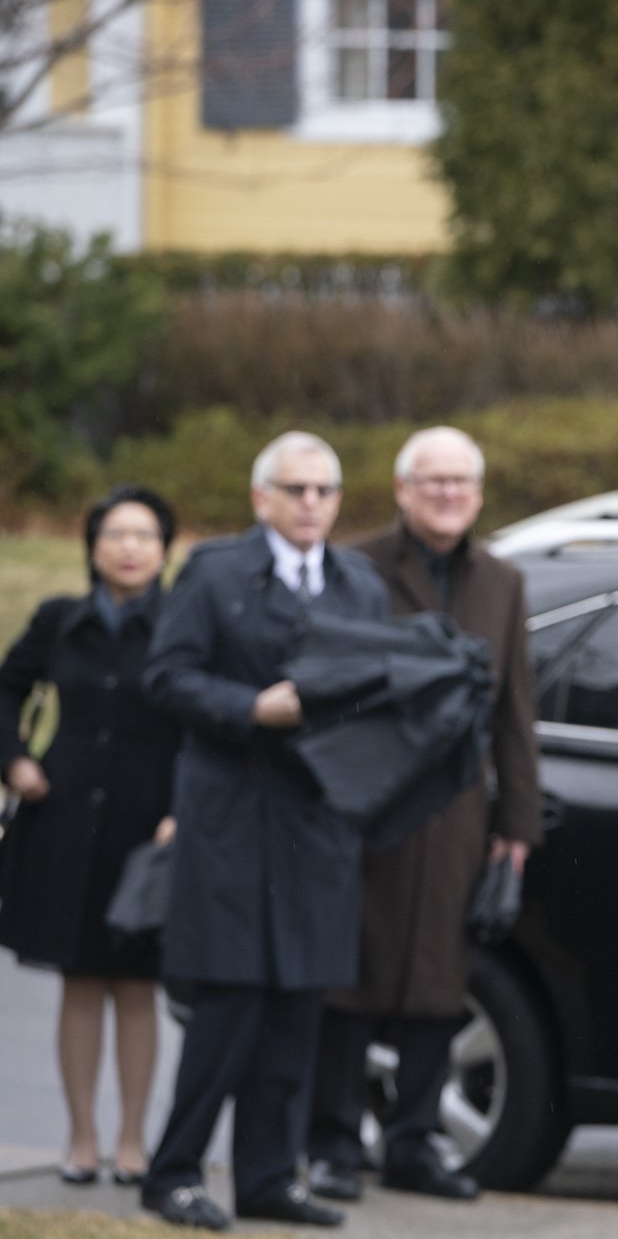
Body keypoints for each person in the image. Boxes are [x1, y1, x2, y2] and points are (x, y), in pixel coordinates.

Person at [140, 432, 388, 1232]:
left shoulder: (358, 582)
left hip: (317, 822)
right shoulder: (214, 571)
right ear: (262, 499)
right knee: (229, 1003)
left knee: (296, 1006)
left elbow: (379, 686)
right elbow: (166, 676)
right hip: (233, 814)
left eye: (325, 490)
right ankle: (172, 1174)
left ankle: (269, 1178)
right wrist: (250, 709)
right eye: (296, 489)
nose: (311, 503)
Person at [305, 427, 541, 1204]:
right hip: (368, 805)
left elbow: (516, 714)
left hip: (458, 815)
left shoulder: (502, 582)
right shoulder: (357, 566)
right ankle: (335, 1145)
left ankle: (413, 1143)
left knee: (442, 983)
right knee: (350, 979)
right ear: (403, 490)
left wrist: (517, 828)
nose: (447, 494)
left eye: (461, 482)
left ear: (477, 495)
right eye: (432, 481)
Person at [0, 486, 183, 1187]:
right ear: (93, 546)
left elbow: (201, 720)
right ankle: (81, 1138)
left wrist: (185, 807)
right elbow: (5, 691)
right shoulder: (59, 620)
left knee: (136, 986)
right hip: (67, 816)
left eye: (144, 535)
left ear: (164, 549)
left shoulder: (179, 624)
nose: (130, 547)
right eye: (116, 534)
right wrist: (15, 760)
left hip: (149, 823)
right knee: (79, 981)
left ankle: (133, 1141)